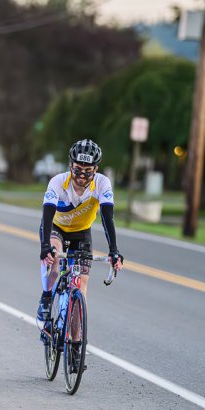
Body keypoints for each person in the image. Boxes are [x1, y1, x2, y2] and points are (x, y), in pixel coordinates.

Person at [37, 139, 124, 326]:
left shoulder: (102, 184)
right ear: (70, 166)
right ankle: (46, 297)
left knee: (81, 285)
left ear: (96, 170)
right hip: (56, 227)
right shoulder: (58, 182)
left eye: (88, 171)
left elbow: (107, 217)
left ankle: (75, 344)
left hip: (81, 232)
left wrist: (114, 250)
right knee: (55, 259)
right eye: (77, 169)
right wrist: (45, 246)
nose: (82, 175)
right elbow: (47, 213)